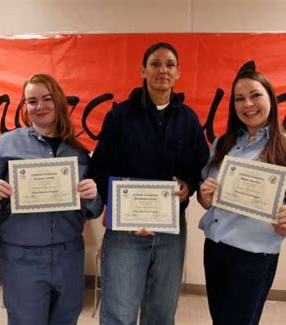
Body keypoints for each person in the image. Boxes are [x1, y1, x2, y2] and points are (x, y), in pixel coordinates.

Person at [90, 42, 209, 325]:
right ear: (143, 71)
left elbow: (198, 167)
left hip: (171, 232)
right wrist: (123, 213)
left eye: (169, 64)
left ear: (178, 72)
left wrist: (187, 186)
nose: (162, 70)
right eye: (155, 64)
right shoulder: (120, 115)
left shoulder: (188, 119)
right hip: (125, 231)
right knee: (119, 314)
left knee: (161, 313)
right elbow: (100, 168)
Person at [0, 73, 103, 325]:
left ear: (59, 102)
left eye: (47, 99)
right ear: (25, 107)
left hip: (69, 254)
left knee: (66, 320)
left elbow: (95, 209)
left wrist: (92, 196)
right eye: (32, 101)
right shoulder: (6, 144)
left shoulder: (77, 152)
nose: (40, 106)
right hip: (22, 256)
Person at [197, 69, 286, 325]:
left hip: (253, 258)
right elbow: (205, 196)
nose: (247, 104)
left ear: (271, 99)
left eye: (255, 95)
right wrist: (206, 198)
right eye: (239, 98)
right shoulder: (223, 143)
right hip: (215, 249)